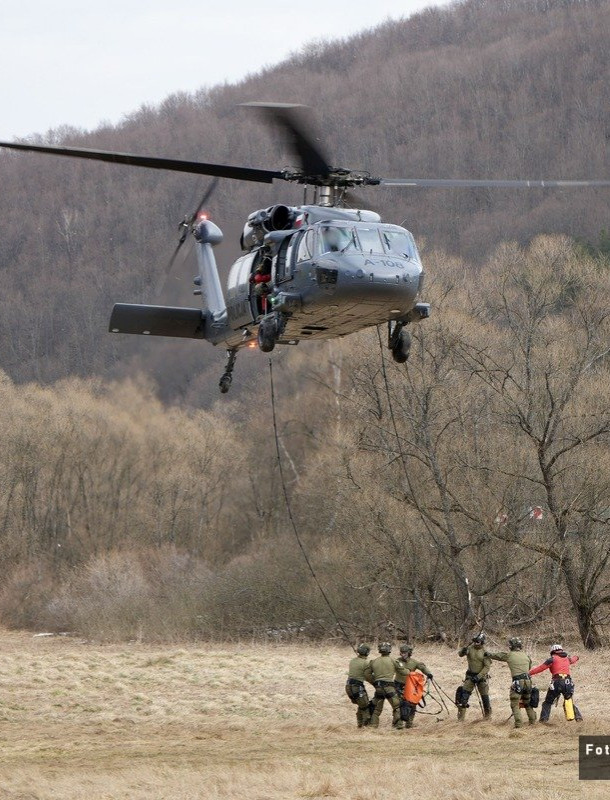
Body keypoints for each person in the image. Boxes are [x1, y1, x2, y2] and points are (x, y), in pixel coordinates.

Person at [486, 637, 536, 728]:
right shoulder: (526, 656)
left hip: (517, 682)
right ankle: (532, 722)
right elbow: (529, 668)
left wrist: (488, 654)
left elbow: (498, 656)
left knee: (514, 704)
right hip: (528, 682)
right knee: (527, 703)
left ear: (511, 646)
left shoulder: (509, 655)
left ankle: (518, 724)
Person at [529, 643, 583, 722]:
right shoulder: (567, 659)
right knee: (568, 700)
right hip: (568, 683)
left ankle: (543, 720)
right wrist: (577, 657)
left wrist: (529, 673)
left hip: (556, 682)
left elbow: (540, 668)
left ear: (552, 652)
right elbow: (574, 659)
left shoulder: (552, 659)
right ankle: (578, 718)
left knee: (548, 702)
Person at [394, 643, 433, 728]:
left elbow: (422, 668)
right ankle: (399, 724)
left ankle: (409, 723)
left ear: (409, 653)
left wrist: (428, 673)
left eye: (405, 652)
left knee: (412, 705)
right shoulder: (396, 661)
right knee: (398, 704)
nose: (402, 654)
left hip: (410, 686)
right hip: (398, 685)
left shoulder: (414, 662)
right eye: (401, 652)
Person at [456, 633, 492, 720]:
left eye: (478, 641)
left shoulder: (485, 652)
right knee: (463, 697)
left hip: (481, 677)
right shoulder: (470, 648)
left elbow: (487, 667)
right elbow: (460, 654)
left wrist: (479, 676)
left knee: (485, 698)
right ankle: (461, 719)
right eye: (475, 641)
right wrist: (463, 650)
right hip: (470, 676)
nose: (476, 643)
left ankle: (487, 717)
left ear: (482, 642)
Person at [369, 642, 403, 729]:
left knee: (376, 708)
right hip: (389, 688)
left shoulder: (374, 661)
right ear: (389, 650)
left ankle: (373, 726)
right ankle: (398, 726)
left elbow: (367, 674)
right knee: (397, 706)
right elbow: (403, 672)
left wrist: (375, 682)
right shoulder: (393, 660)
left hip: (378, 688)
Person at [345, 644, 374, 727]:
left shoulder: (353, 660)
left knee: (361, 705)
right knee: (365, 706)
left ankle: (360, 725)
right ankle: (366, 726)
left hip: (348, 687)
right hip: (357, 688)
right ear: (367, 653)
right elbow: (368, 677)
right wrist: (375, 684)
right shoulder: (366, 663)